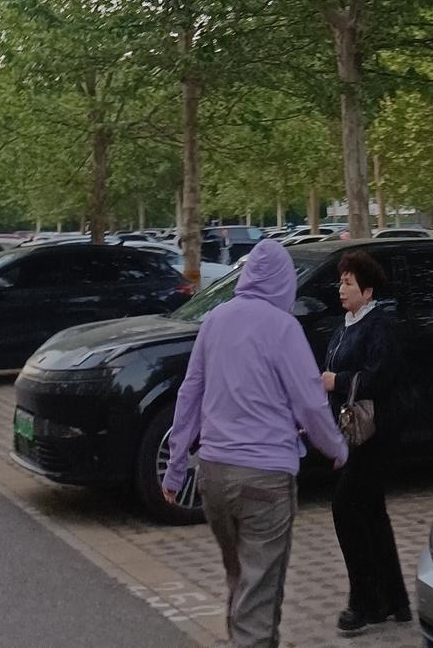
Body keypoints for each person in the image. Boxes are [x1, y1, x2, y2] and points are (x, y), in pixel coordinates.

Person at [163, 237, 348, 648]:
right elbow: (310, 401)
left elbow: (189, 394)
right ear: (283, 282)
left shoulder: (214, 320)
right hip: (265, 478)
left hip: (213, 475)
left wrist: (175, 469)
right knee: (259, 594)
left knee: (241, 580)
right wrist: (336, 447)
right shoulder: (283, 327)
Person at [321, 250, 410, 636]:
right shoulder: (345, 326)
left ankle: (363, 601)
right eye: (341, 281)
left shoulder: (378, 326)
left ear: (368, 291)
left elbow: (380, 376)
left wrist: (337, 382)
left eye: (348, 282)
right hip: (353, 433)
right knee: (372, 512)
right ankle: (393, 600)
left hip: (376, 433)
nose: (341, 288)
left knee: (346, 507)